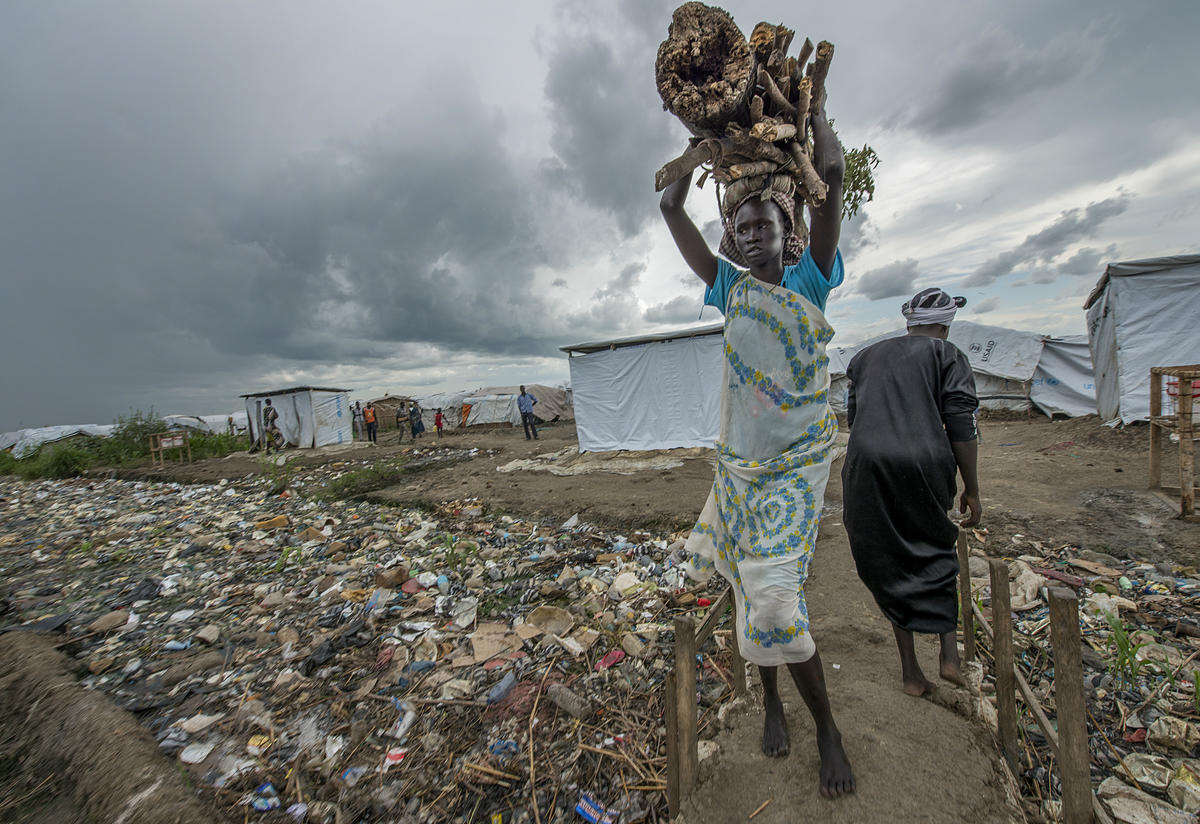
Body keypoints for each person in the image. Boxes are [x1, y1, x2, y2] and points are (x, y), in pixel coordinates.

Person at [660, 95, 854, 798]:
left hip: (795, 471)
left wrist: (817, 114)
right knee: (751, 594)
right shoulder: (728, 290)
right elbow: (670, 213)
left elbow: (830, 176)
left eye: (762, 223)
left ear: (787, 227)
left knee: (775, 604)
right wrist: (696, 148)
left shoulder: (810, 280)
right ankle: (771, 700)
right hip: (740, 472)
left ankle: (826, 728)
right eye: (739, 226)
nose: (749, 235)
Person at [841, 288, 981, 697]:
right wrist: (972, 489)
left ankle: (910, 674)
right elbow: (960, 424)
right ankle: (949, 658)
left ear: (909, 321)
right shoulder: (948, 356)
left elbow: (853, 419)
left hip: (866, 463)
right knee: (937, 546)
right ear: (946, 324)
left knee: (888, 556)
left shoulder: (865, 357)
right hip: (924, 460)